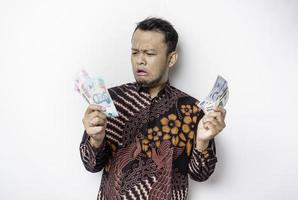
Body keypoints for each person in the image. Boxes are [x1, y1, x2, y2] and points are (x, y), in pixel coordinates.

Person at [80, 17, 226, 200]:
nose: (140, 60)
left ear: (171, 59)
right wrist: (95, 140)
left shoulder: (192, 110)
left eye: (149, 53)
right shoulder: (110, 100)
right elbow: (91, 165)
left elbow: (201, 174)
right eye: (135, 53)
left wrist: (203, 142)